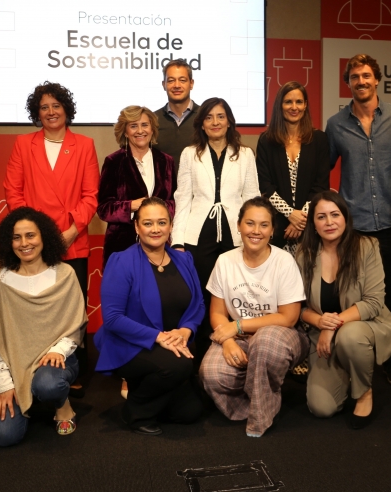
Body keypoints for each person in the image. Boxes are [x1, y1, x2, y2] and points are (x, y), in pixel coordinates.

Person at [325, 54, 391, 385]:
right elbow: (324, 171)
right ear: (347, 83)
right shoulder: (336, 125)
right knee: (352, 297)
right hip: (356, 228)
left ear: (377, 79)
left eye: (366, 76)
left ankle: (390, 361)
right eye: (354, 77)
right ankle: (355, 359)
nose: (361, 82)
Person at [3, 82, 98, 392]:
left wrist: (70, 233)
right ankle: (31, 363)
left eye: (56, 105)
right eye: (44, 107)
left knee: (73, 307)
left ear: (66, 109)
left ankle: (75, 370)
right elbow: (13, 192)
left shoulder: (84, 144)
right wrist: (35, 231)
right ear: (36, 112)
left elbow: (91, 195)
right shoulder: (23, 143)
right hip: (33, 242)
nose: (51, 111)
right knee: (36, 306)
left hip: (73, 240)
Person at [199, 197, 309, 438]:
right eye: (250, 223)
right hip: (238, 337)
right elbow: (217, 312)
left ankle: (261, 415)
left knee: (264, 343)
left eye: (263, 225)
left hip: (281, 337)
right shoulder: (225, 261)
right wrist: (227, 341)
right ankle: (255, 399)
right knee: (211, 373)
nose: (256, 231)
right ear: (238, 225)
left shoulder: (284, 261)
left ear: (272, 230)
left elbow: (289, 317)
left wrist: (237, 324)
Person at [95, 197, 204, 436]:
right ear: (136, 227)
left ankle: (143, 389)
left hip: (173, 343)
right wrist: (159, 337)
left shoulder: (184, 259)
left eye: (162, 222)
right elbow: (112, 318)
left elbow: (198, 304)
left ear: (171, 226)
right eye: (148, 223)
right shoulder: (122, 262)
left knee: (191, 412)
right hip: (130, 344)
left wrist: (186, 330)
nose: (155, 229)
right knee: (179, 366)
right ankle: (134, 413)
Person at [296, 191, 391, 429]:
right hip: (323, 336)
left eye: (335, 214)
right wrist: (321, 323)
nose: (329, 222)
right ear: (313, 223)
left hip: (365, 327)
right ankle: (347, 371)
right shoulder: (304, 254)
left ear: (345, 217)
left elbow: (374, 302)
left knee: (349, 337)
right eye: (321, 217)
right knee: (321, 408)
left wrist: (332, 327)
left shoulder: (367, 247)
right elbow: (299, 308)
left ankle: (364, 392)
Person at [0, 207, 88, 445]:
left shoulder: (65, 274)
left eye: (30, 235)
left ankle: (63, 404)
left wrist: (57, 351)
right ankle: (24, 388)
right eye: (16, 237)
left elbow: (74, 325)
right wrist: (5, 384)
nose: (24, 243)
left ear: (44, 237)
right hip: (14, 364)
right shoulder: (0, 280)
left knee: (48, 384)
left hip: (57, 360)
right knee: (4, 437)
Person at [172, 97, 260, 364]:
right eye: (209, 117)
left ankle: (235, 352)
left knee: (234, 295)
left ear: (229, 120)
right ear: (202, 123)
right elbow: (183, 198)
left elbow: (252, 196)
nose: (215, 122)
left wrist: (254, 235)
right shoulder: (190, 153)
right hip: (199, 235)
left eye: (220, 116)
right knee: (202, 297)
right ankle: (201, 359)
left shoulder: (245, 154)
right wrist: (177, 241)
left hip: (236, 236)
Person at [257, 81, 330, 255]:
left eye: (299, 102)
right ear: (280, 106)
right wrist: (290, 214)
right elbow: (264, 184)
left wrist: (301, 219)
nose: (294, 107)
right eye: (288, 102)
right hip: (277, 226)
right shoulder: (266, 140)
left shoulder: (319, 139)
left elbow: (321, 185)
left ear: (305, 105)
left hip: (310, 226)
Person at [98, 105, 175, 267]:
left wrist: (155, 209)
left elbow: (175, 201)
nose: (140, 131)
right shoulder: (113, 162)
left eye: (145, 125)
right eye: (133, 126)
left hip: (160, 244)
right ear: (125, 132)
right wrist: (132, 206)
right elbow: (104, 208)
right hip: (122, 245)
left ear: (152, 129)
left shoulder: (166, 161)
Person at [154, 59, 201, 175]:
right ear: (164, 85)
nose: (176, 85)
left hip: (199, 192)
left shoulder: (205, 117)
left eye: (182, 80)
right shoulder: (152, 120)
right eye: (171, 80)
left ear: (191, 84)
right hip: (163, 192)